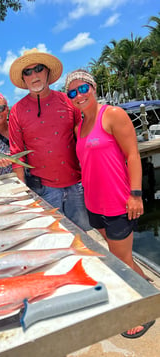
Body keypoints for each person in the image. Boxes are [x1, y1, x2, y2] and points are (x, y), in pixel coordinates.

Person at [65, 69, 155, 339]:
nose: (79, 95)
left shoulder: (112, 115)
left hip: (118, 202)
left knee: (122, 259)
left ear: (93, 88)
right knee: (119, 257)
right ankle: (145, 282)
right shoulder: (78, 126)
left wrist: (135, 194)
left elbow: (133, 155)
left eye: (83, 89)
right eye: (72, 92)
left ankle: (146, 308)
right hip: (93, 205)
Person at [8, 48, 91, 231]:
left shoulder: (69, 101)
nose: (34, 75)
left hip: (77, 186)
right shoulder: (16, 111)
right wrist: (23, 196)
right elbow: (17, 156)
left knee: (85, 237)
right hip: (42, 190)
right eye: (27, 72)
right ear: (23, 78)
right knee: (53, 239)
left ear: (48, 72)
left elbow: (85, 142)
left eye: (38, 69)